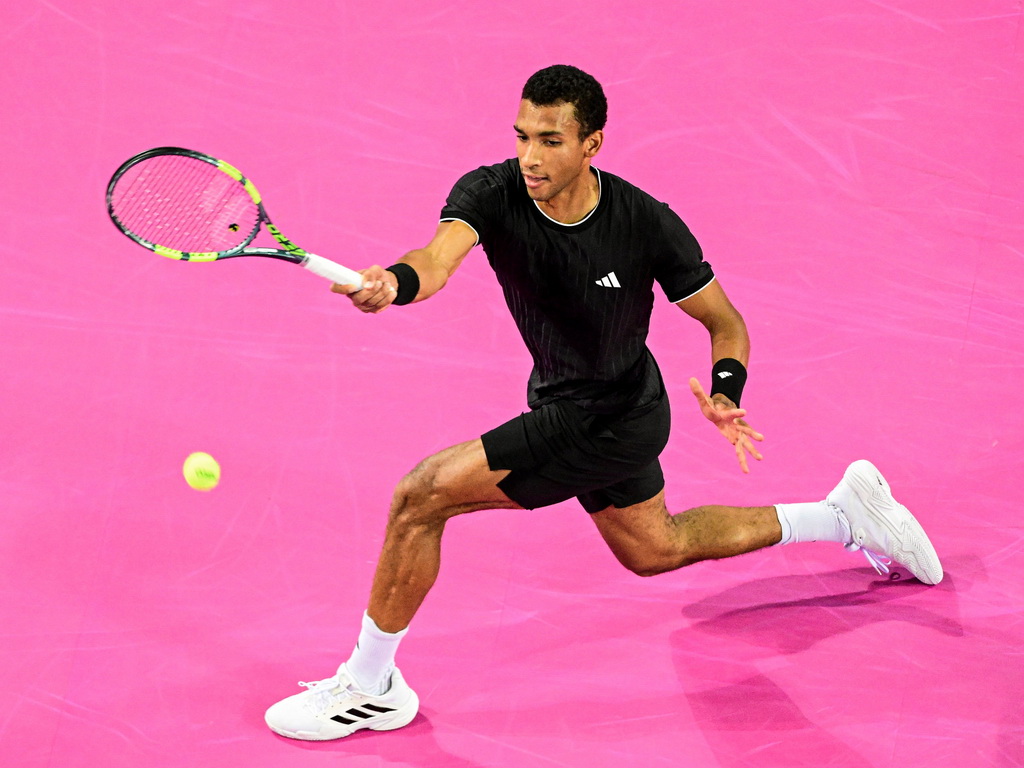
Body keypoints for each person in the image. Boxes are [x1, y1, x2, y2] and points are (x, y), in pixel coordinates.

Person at [264, 65, 943, 741]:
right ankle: (842, 516)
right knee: (656, 548)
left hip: (609, 419)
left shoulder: (644, 223)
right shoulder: (492, 191)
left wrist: (727, 393)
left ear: (592, 144)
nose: (531, 156)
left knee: (421, 496)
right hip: (574, 398)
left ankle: (370, 684)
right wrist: (396, 281)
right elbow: (437, 259)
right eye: (524, 135)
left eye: (552, 140)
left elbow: (725, 323)